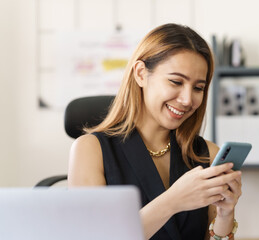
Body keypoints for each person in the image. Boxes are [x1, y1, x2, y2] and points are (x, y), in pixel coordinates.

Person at [68, 23, 242, 240]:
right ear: (141, 74)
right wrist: (173, 201)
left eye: (198, 88)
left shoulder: (207, 154)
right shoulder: (90, 150)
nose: (188, 100)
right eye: (176, 81)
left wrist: (225, 214)